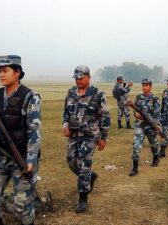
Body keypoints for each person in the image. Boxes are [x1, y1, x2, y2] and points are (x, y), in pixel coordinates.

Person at [0, 55, 41, 225]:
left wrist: (30, 161)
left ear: (18, 72)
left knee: (22, 207)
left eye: (5, 71)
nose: (1, 75)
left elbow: (34, 132)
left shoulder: (30, 97)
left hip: (21, 158)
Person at [62, 65, 110, 213]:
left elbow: (105, 116)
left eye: (81, 78)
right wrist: (65, 126)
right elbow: (66, 113)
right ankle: (91, 176)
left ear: (89, 77)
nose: (78, 80)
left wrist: (103, 137)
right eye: (76, 78)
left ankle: (83, 197)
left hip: (90, 136)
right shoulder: (71, 93)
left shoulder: (98, 94)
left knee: (84, 165)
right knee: (71, 162)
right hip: (74, 135)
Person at [129, 78, 161, 176]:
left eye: (146, 85)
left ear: (150, 87)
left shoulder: (155, 99)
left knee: (154, 144)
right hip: (140, 125)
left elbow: (157, 114)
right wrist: (136, 114)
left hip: (151, 125)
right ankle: (135, 168)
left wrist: (156, 126)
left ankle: (156, 157)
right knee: (136, 145)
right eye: (143, 85)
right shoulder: (139, 97)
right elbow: (135, 108)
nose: (144, 87)